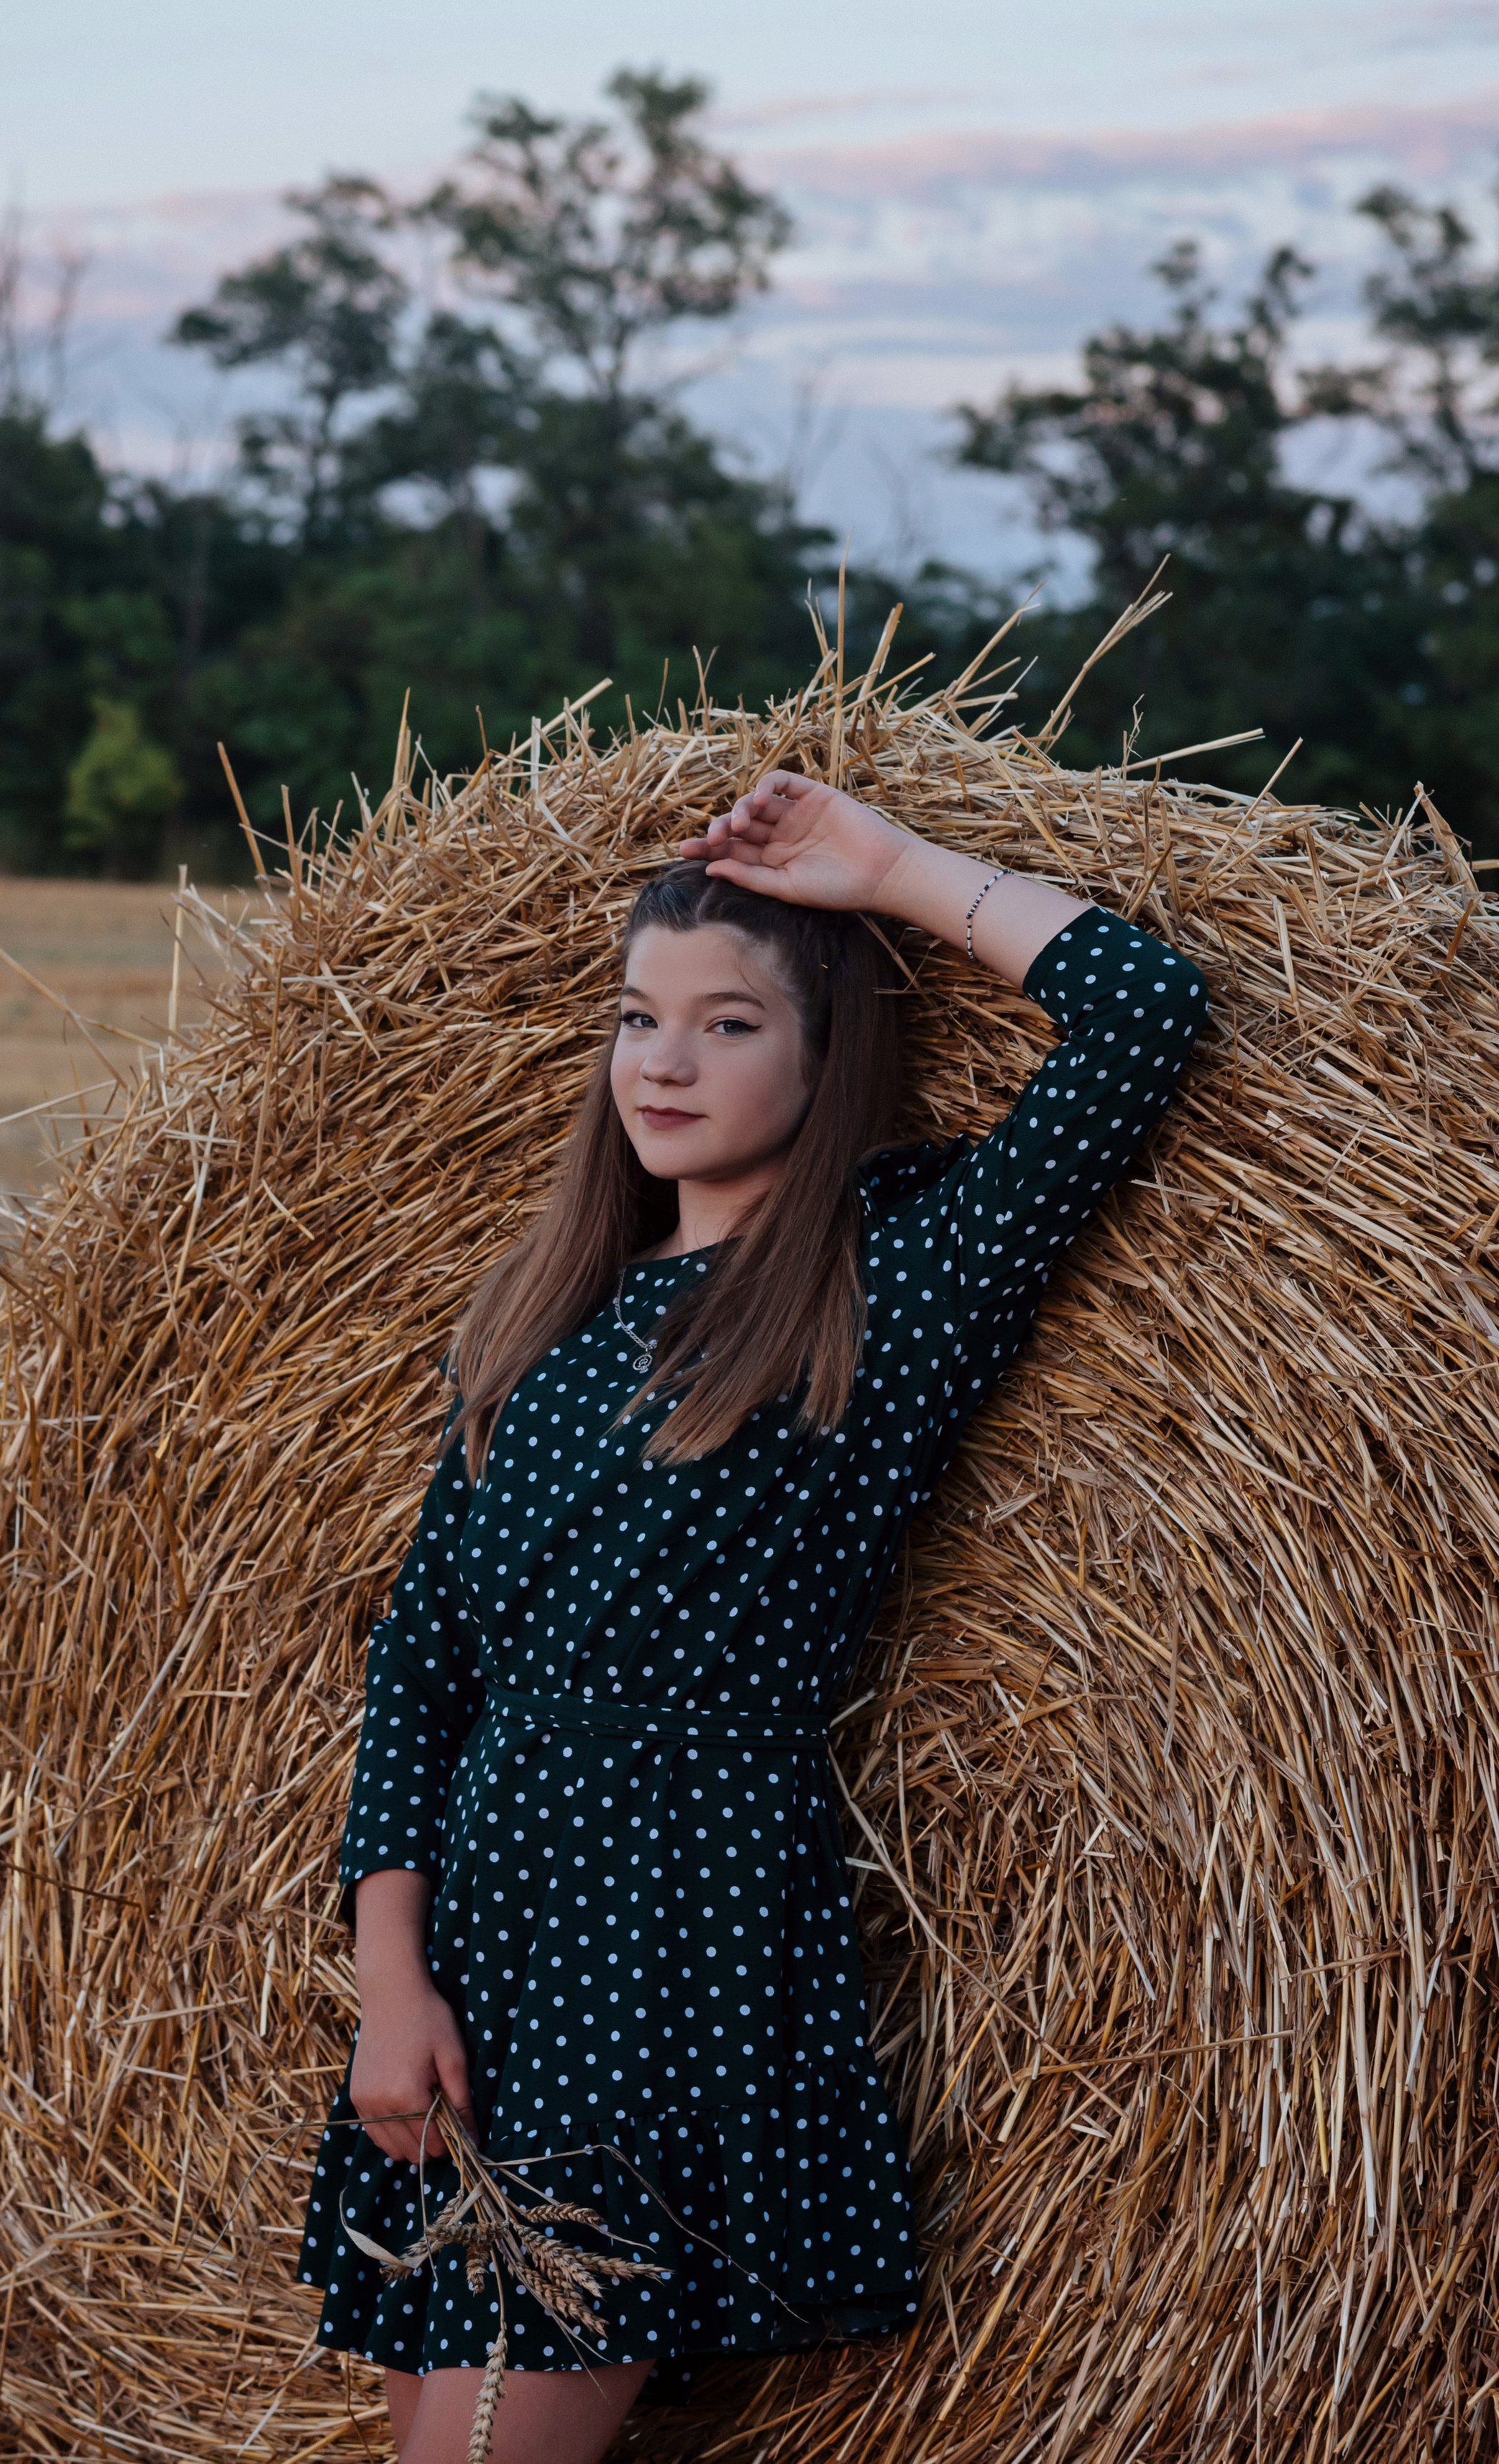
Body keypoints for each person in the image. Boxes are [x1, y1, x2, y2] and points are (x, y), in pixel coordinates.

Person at [298, 769, 1208, 2464]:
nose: (660, 1060)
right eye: (639, 1018)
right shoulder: (535, 1323)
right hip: (484, 1948)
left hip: (664, 1933)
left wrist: (888, 866)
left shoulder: (885, 1297)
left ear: (824, 1058)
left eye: (726, 1024)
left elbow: (1143, 1013)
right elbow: (420, 1666)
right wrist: (389, 1982)